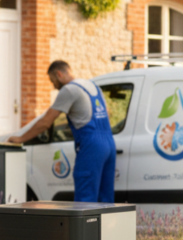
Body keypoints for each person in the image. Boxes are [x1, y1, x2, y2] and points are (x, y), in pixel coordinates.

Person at [8, 60, 116, 203]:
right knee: (106, 200)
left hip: (92, 146)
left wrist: (20, 139)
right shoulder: (93, 86)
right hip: (109, 143)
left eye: (52, 81)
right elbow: (107, 113)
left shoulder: (69, 90)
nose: (53, 86)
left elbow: (46, 122)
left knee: (85, 200)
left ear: (59, 74)